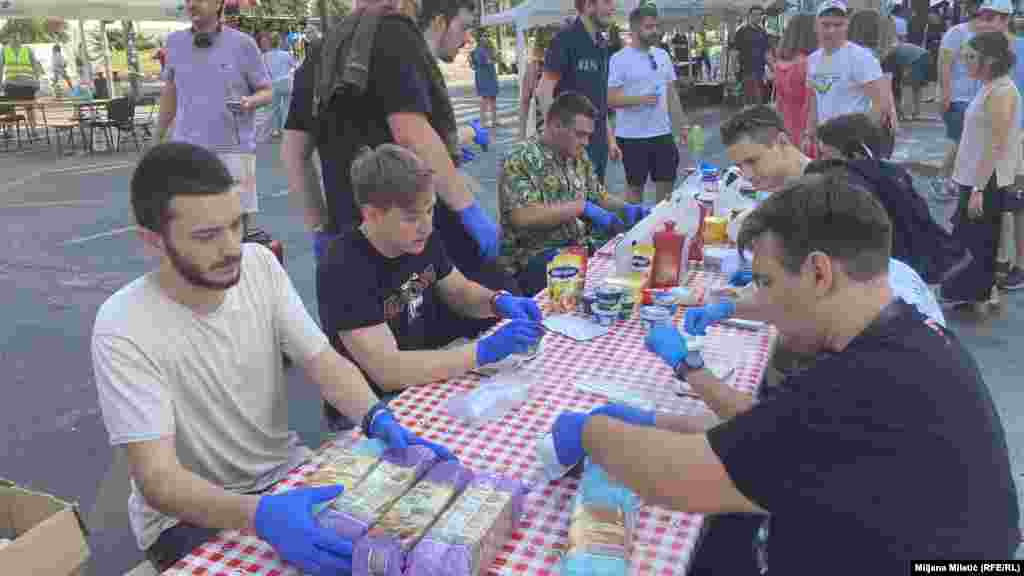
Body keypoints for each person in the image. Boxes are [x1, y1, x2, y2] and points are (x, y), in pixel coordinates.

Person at [550, 172, 1019, 573]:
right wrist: (654, 422)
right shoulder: (910, 337)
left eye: (767, 282)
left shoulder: (859, 384)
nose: (763, 304)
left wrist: (592, 431)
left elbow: (676, 480)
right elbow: (773, 433)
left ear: (819, 273)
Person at [92, 142, 453, 573]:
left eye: (236, 225)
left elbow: (323, 362)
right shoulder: (124, 325)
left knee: (408, 539)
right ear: (153, 241)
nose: (231, 247)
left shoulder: (259, 265)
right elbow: (158, 479)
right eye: (207, 235)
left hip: (284, 473)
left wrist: (376, 417)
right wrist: (258, 515)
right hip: (189, 518)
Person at [318, 144, 544, 399]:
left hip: (422, 375)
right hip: (373, 401)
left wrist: (496, 301)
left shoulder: (420, 239)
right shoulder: (343, 267)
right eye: (411, 218)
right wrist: (481, 352)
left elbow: (459, 292)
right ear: (372, 214)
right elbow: (387, 371)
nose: (426, 226)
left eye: (430, 210)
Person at [722, 105, 969, 286]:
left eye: (752, 161)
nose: (746, 174)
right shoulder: (812, 185)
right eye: (739, 165)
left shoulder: (829, 190)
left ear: (783, 142)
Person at [499, 92, 649, 296]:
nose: (586, 142)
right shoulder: (519, 158)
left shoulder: (577, 154)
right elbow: (522, 216)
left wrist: (629, 209)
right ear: (555, 125)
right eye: (580, 134)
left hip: (577, 248)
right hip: (532, 259)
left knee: (632, 270)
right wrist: (579, 207)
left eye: (588, 135)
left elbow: (598, 196)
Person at [156, 0, 273, 233]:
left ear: (219, 3)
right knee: (193, 226)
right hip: (188, 150)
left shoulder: (243, 43)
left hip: (234, 150)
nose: (192, 4)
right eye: (188, 0)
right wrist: (157, 137)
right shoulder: (174, 42)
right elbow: (170, 91)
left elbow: (267, 91)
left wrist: (249, 102)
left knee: (236, 229)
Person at [941, 31, 1020, 310]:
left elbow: (996, 144)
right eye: (964, 56)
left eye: (971, 57)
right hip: (974, 176)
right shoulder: (988, 87)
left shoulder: (1002, 91)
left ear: (991, 59)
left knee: (979, 241)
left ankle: (979, 293)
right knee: (970, 238)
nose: (965, 62)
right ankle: (975, 292)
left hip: (986, 178)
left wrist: (978, 188)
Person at [608, 1, 687, 204]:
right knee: (635, 189)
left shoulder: (662, 55)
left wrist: (682, 125)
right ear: (634, 28)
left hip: (662, 134)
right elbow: (610, 100)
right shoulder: (619, 59)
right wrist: (641, 99)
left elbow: (671, 94)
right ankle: (635, 222)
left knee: (667, 187)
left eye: (656, 26)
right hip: (632, 137)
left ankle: (661, 220)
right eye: (649, 27)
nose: (655, 31)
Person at [536, 0, 621, 184]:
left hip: (598, 147)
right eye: (607, 2)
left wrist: (610, 140)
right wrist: (557, 140)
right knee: (573, 201)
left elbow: (599, 101)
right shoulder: (565, 39)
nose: (613, 7)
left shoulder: (602, 44)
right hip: (572, 148)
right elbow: (543, 92)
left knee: (595, 198)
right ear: (589, 5)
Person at [805, 0, 897, 153]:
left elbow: (881, 104)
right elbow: (815, 99)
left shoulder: (860, 57)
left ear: (847, 26)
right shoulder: (813, 60)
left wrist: (858, 138)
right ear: (816, 27)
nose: (832, 30)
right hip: (827, 143)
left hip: (854, 145)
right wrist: (810, 132)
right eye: (826, 25)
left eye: (838, 25)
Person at [939, 0, 988, 180]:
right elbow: (944, 64)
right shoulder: (957, 32)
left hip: (982, 97)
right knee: (961, 141)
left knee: (971, 144)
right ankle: (942, 178)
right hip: (959, 97)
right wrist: (945, 94)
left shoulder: (991, 35)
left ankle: (958, 182)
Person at [772, 14, 817, 154]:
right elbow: (812, 104)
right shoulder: (810, 63)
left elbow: (778, 101)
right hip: (806, 131)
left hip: (786, 128)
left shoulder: (780, 63)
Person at [729, 6, 771, 106]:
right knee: (750, 102)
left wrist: (773, 68)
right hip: (746, 72)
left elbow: (766, 53)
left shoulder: (763, 32)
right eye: (754, 15)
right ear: (749, 16)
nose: (757, 17)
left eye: (759, 15)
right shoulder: (741, 31)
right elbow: (735, 53)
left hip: (760, 72)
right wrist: (733, 72)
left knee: (758, 101)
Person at [0, 34, 42, 132]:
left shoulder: (28, 49)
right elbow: (0, 67)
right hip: (11, 85)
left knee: (29, 107)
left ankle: (33, 130)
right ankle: (11, 130)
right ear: (9, 38)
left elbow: (36, 66)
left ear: (20, 37)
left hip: (27, 84)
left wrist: (37, 81)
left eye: (17, 35)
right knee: (10, 106)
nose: (15, 38)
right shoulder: (4, 50)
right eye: (13, 36)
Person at [260, 31, 296, 139]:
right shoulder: (286, 54)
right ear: (279, 42)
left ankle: (275, 130)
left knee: (274, 108)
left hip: (273, 84)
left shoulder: (264, 56)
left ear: (269, 43)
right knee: (287, 107)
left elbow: (263, 72)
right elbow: (294, 66)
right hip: (286, 82)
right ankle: (285, 129)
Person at [470, 33, 500, 128]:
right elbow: (482, 62)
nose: (486, 38)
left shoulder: (490, 48)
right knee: (485, 99)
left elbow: (493, 60)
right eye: (484, 36)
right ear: (480, 38)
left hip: (491, 74)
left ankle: (494, 120)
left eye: (487, 36)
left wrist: (494, 57)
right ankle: (483, 122)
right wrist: (492, 59)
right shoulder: (478, 50)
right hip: (483, 76)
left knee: (493, 98)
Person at [518, 42, 547, 140]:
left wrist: (522, 136)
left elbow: (525, 101)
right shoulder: (533, 67)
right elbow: (525, 100)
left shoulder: (533, 67)